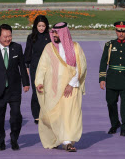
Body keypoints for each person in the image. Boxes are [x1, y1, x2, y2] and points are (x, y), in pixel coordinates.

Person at [35, 22, 87, 152]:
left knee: (69, 116)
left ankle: (67, 142)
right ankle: (56, 138)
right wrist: (39, 82)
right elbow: (42, 66)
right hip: (53, 88)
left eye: (56, 32)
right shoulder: (49, 48)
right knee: (53, 115)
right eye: (53, 32)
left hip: (71, 88)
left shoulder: (76, 47)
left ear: (63, 33)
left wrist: (70, 84)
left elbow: (80, 68)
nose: (54, 34)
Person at [0, 24, 30, 151]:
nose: (8, 39)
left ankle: (14, 139)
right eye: (5, 37)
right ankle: (1, 141)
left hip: (14, 89)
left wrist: (26, 83)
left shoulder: (17, 48)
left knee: (16, 116)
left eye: (10, 36)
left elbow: (22, 67)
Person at [99, 21, 125, 137]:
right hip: (112, 79)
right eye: (119, 31)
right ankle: (115, 123)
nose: (121, 34)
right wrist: (102, 78)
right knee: (111, 103)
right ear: (116, 31)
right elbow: (103, 62)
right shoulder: (109, 45)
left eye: (123, 31)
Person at [24, 15, 51, 125]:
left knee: (48, 91)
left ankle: (46, 113)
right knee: (36, 92)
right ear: (35, 26)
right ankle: (36, 114)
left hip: (48, 67)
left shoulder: (50, 37)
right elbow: (28, 53)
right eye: (39, 26)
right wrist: (26, 67)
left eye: (43, 26)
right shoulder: (31, 37)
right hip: (35, 67)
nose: (41, 28)